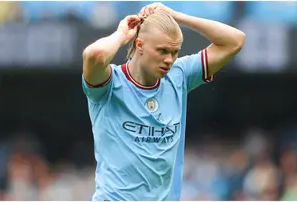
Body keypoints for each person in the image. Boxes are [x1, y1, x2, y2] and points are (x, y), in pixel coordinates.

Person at [82, 3, 245, 201]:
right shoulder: (109, 84)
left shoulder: (180, 75)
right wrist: (121, 35)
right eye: (162, 51)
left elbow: (235, 40)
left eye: (175, 52)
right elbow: (95, 55)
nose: (169, 59)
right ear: (139, 45)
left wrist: (178, 17)